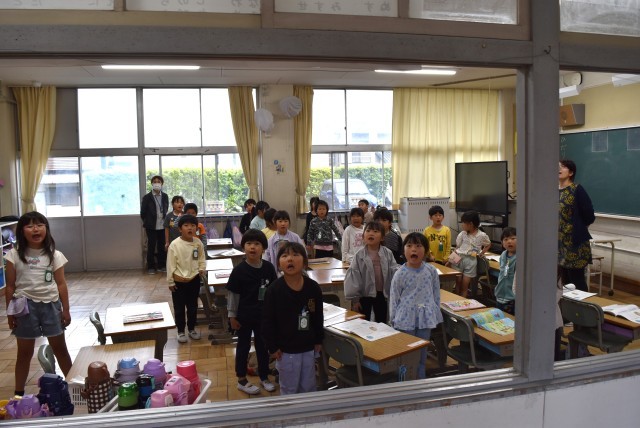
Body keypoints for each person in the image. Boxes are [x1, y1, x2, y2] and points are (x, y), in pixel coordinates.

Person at [4, 211, 73, 397]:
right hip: (24, 308)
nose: (35, 229)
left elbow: (61, 284)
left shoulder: (55, 255)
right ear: (21, 231)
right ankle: (18, 394)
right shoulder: (13, 256)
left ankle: (75, 387)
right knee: (24, 353)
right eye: (30, 226)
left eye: (40, 225)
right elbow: (10, 286)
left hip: (51, 305)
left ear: (46, 229)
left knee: (61, 349)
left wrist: (66, 310)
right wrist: (10, 313)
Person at [262, 242, 324, 395]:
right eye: (284, 256)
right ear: (279, 264)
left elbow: (318, 315)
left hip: (308, 347)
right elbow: (267, 321)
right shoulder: (274, 290)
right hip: (286, 350)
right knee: (289, 390)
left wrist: (318, 339)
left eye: (295, 255)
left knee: (309, 387)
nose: (290, 259)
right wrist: (272, 347)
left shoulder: (313, 287)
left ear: (305, 261)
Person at [226, 229, 278, 395]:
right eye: (249, 244)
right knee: (243, 347)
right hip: (243, 317)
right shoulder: (239, 271)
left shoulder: (269, 268)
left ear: (264, 248)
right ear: (243, 247)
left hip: (263, 316)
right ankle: (241, 379)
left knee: (263, 347)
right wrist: (232, 316)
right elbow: (233, 296)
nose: (252, 247)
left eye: (257, 244)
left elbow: (273, 293)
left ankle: (264, 376)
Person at [389, 233, 442, 379]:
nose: (414, 249)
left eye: (418, 246)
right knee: (406, 354)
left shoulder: (431, 271)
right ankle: (404, 383)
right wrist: (393, 319)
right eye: (409, 246)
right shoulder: (400, 274)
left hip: (425, 317)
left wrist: (435, 314)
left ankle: (421, 380)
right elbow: (394, 298)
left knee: (422, 353)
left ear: (426, 251)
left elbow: (436, 294)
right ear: (403, 250)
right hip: (405, 319)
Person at [344, 221, 399, 323]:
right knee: (364, 321)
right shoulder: (359, 255)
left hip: (382, 294)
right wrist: (355, 299)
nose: (371, 233)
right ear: (363, 236)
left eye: (375, 231)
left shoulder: (387, 253)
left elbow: (394, 271)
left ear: (382, 238)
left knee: (381, 321)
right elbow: (354, 277)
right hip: (364, 295)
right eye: (368, 231)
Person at [166, 214, 205, 344]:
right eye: (186, 225)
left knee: (193, 306)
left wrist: (202, 269)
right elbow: (170, 264)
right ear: (180, 229)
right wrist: (170, 281)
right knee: (179, 308)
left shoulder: (198, 243)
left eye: (193, 225)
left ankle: (192, 329)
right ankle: (181, 331)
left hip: (194, 279)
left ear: (196, 228)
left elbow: (201, 258)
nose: (190, 228)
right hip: (179, 281)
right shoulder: (175, 244)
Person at [558, 159, 595, 292]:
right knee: (564, 282)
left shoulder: (576, 189)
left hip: (574, 244)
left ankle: (583, 304)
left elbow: (589, 215)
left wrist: (579, 227)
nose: (559, 169)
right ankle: (567, 305)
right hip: (559, 244)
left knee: (577, 281)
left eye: (563, 167)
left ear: (571, 172)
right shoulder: (553, 191)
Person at [447, 210, 491, 298]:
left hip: (471, 261)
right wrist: (449, 261)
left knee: (465, 285)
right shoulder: (462, 234)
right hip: (458, 258)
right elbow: (457, 248)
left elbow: (488, 244)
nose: (462, 225)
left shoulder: (482, 235)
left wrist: (482, 253)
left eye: (463, 223)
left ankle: (463, 301)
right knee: (458, 283)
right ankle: (456, 300)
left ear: (470, 224)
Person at [140, 175, 169, 275]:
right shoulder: (147, 197)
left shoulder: (165, 196)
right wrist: (147, 221)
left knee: (162, 246)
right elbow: (143, 212)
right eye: (155, 182)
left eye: (158, 181)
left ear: (162, 184)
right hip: (151, 226)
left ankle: (162, 265)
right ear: (152, 184)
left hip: (162, 225)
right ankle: (151, 267)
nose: (157, 183)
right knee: (151, 246)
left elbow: (165, 208)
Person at [495, 227, 517, 315]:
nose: (509, 241)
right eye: (506, 239)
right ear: (502, 243)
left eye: (513, 238)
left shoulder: (521, 257)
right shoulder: (503, 255)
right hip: (499, 295)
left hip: (512, 298)